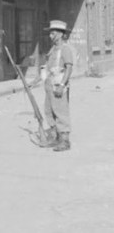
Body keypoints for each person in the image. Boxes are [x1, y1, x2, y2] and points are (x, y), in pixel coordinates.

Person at [40, 20, 74, 152]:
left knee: (60, 112)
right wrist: (34, 81)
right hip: (49, 85)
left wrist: (61, 85)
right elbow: (47, 68)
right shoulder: (52, 50)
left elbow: (69, 69)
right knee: (48, 111)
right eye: (50, 33)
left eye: (52, 33)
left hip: (58, 85)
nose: (50, 36)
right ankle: (55, 137)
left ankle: (65, 141)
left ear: (60, 34)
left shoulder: (66, 49)